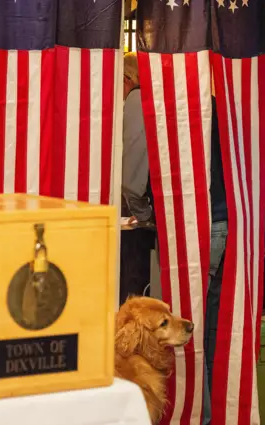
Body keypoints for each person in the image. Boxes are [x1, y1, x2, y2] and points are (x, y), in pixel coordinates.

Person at [119, 52, 155, 305]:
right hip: (150, 208)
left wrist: (141, 214)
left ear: (127, 78)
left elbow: (133, 173)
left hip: (141, 217)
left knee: (133, 295)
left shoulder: (137, 100)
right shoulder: (150, 100)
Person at [203, 90, 229, 425]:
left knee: (183, 330)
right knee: (209, 330)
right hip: (227, 222)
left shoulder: (184, 106)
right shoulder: (223, 106)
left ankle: (198, 415)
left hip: (203, 224)